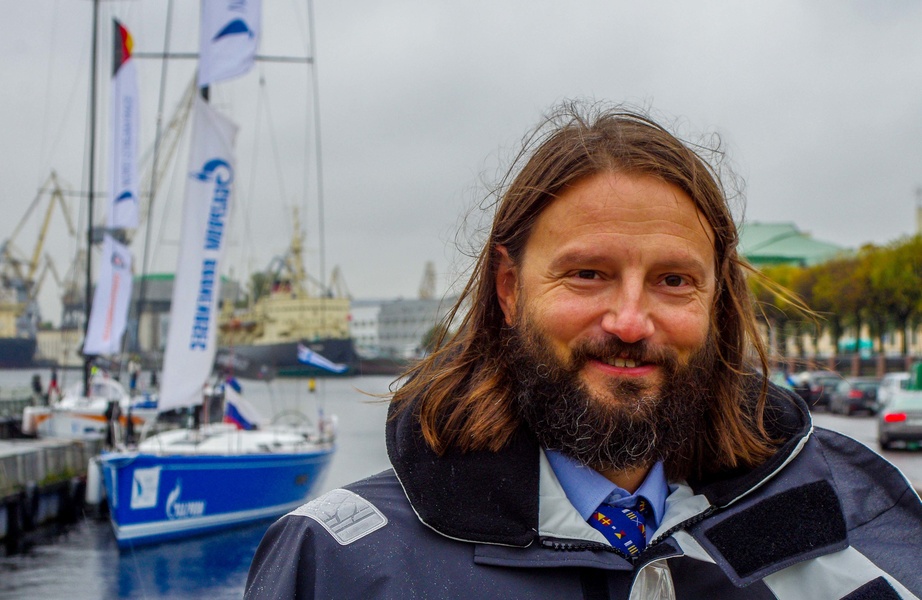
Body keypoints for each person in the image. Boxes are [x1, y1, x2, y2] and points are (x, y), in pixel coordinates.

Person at [246, 104, 922, 599]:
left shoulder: (849, 513)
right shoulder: (342, 563)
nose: (630, 321)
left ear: (716, 301)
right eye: (588, 274)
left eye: (673, 281)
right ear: (508, 290)